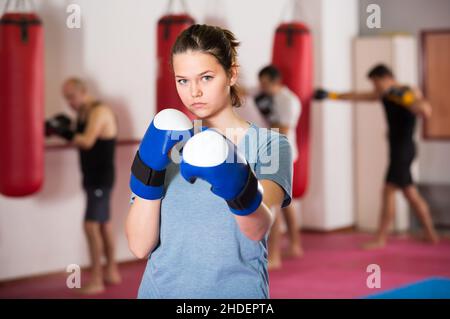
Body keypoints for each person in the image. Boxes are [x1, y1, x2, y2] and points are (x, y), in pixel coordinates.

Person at [126, 24, 293, 298]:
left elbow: (260, 227)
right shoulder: (168, 139)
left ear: (231, 74)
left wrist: (234, 181)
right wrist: (148, 173)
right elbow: (139, 246)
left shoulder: (271, 144)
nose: (194, 92)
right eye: (183, 80)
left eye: (205, 77)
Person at [314, 64, 439, 249]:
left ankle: (380, 238)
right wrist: (331, 95)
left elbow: (425, 110)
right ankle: (430, 234)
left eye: (376, 82)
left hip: (403, 150)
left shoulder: (406, 91)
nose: (375, 87)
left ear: (386, 77)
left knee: (388, 191)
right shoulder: (386, 94)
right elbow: (360, 96)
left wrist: (406, 99)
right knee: (410, 194)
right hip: (398, 149)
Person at [48, 78, 122, 294]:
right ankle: (111, 271)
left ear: (83, 91)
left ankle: (97, 280)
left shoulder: (100, 112)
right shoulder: (83, 112)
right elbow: (79, 136)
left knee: (91, 226)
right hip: (91, 176)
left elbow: (87, 140)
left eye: (71, 97)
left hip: (101, 177)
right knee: (104, 225)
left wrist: (64, 133)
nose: (69, 102)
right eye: (66, 98)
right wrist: (61, 128)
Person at [255, 65, 303, 270]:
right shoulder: (267, 96)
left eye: (265, 84)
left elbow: (283, 130)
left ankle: (274, 256)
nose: (262, 87)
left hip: (281, 153)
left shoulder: (288, 101)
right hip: (271, 151)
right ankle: (295, 244)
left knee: (273, 203)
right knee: (286, 202)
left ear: (276, 81)